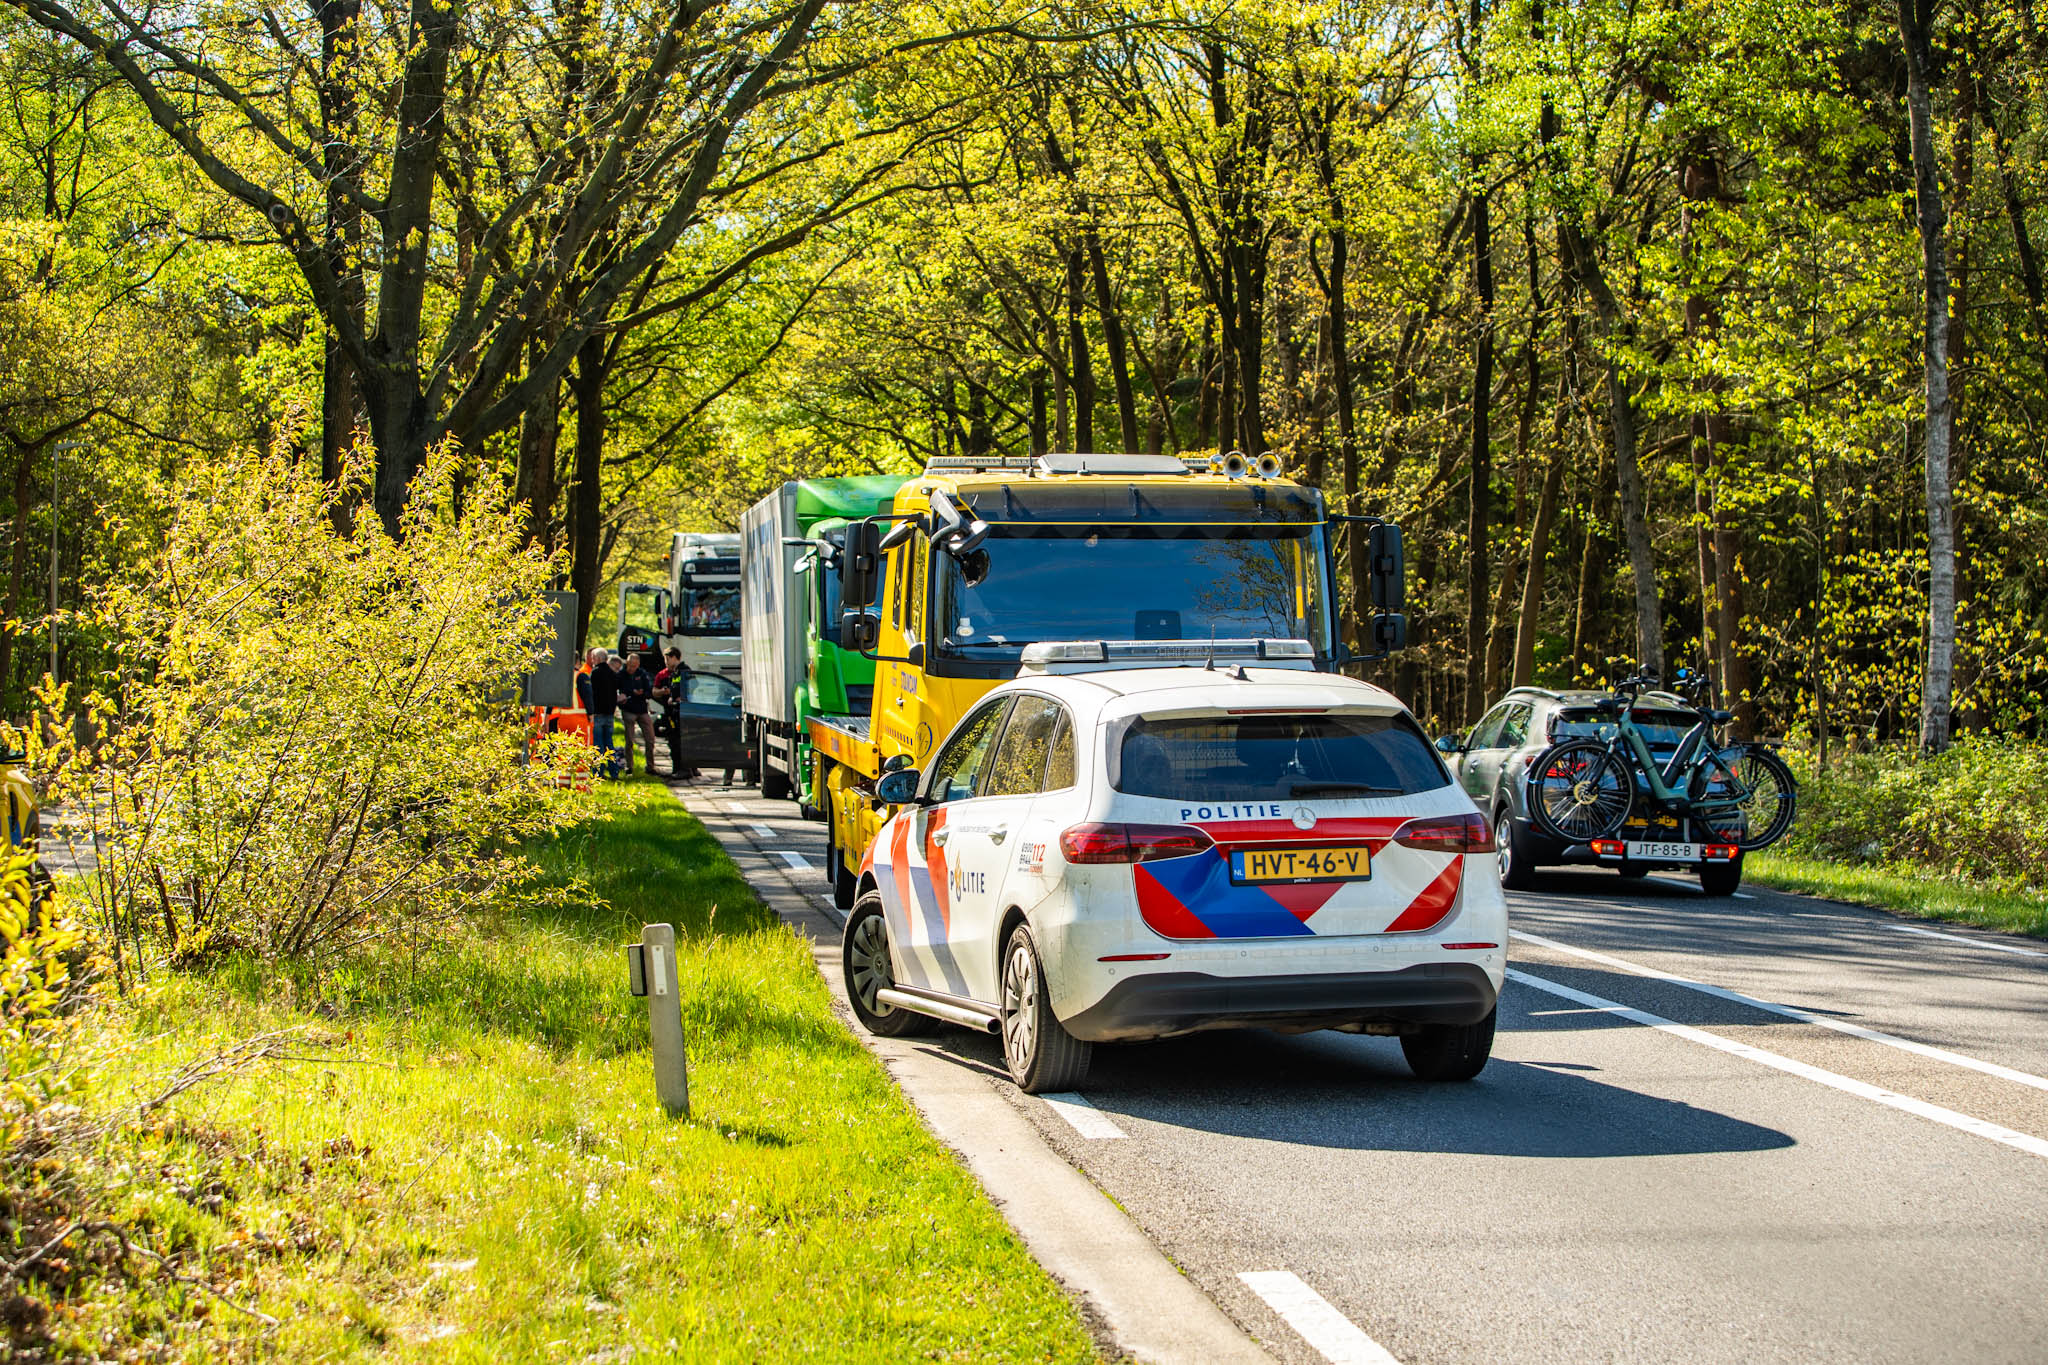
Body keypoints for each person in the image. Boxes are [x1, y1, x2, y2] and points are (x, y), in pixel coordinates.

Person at [576, 647, 620, 776]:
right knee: (609, 744)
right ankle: (614, 771)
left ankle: (598, 772)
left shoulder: (594, 673)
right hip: (610, 714)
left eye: (594, 658)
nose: (592, 660)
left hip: (598, 713)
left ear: (599, 658)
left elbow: (591, 694)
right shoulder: (612, 673)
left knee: (598, 744)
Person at [653, 648, 695, 780]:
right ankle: (678, 769)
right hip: (673, 712)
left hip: (680, 712)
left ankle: (684, 769)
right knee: (673, 741)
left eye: (667, 658)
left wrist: (681, 698)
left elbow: (693, 685)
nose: (665, 662)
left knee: (678, 741)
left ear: (674, 657)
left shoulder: (684, 670)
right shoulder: (675, 673)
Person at [617, 651, 656, 775]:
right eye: (630, 665)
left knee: (650, 739)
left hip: (642, 709)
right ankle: (630, 766)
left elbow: (649, 691)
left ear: (638, 665)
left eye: (634, 666)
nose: (631, 668)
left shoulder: (642, 674)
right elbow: (618, 691)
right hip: (628, 709)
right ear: (627, 663)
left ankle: (650, 766)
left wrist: (641, 693)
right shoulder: (621, 674)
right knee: (630, 740)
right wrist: (629, 694)